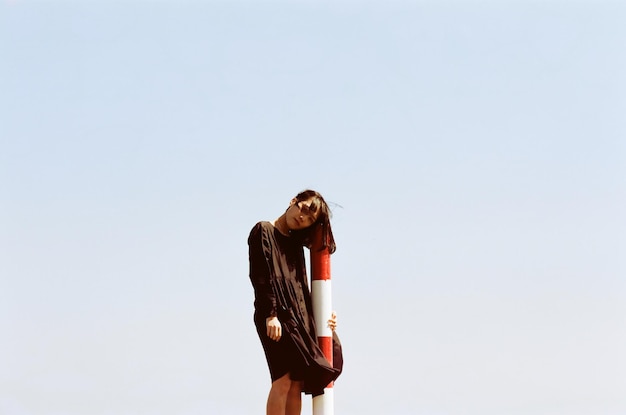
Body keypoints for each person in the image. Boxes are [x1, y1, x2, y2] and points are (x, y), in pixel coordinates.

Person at [248, 189, 342, 415]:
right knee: (283, 378)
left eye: (310, 219)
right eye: (305, 209)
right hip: (275, 316)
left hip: (298, 316)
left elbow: (301, 286)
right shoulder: (263, 230)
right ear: (294, 201)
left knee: (297, 383)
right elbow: (261, 277)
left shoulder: (296, 244)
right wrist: (271, 315)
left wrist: (322, 315)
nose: (303, 218)